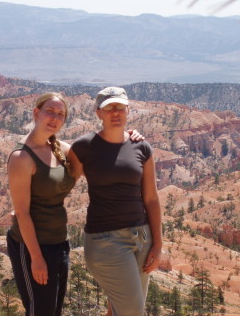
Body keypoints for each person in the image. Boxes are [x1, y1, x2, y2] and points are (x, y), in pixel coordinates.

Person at [7, 92, 144, 316]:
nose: (54, 118)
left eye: (60, 114)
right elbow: (22, 213)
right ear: (36, 113)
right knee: (40, 311)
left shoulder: (61, 149)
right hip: (31, 245)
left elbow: (99, 151)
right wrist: (37, 258)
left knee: (54, 311)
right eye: (49, 112)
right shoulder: (22, 157)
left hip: (59, 242)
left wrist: (126, 136)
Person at [69, 87, 163, 316]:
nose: (115, 112)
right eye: (109, 108)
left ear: (128, 110)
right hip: (105, 240)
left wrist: (158, 244)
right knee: (132, 311)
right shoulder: (84, 147)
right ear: (98, 113)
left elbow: (151, 198)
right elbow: (60, 182)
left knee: (120, 310)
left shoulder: (141, 147)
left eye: (120, 107)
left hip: (141, 237)